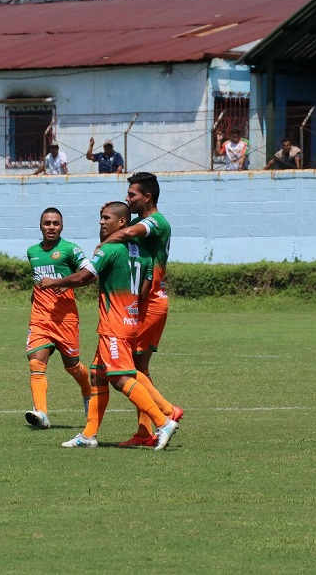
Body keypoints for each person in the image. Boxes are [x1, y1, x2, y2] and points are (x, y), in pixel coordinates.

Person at [38, 201, 180, 450]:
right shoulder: (143, 253)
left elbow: (85, 275)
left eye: (106, 218)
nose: (102, 222)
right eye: (101, 218)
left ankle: (163, 421)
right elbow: (145, 289)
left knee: (120, 378)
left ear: (122, 223)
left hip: (114, 323)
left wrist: (54, 282)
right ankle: (88, 435)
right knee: (97, 375)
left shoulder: (110, 249)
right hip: (131, 320)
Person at [98, 172, 183, 447]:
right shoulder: (140, 220)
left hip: (152, 302)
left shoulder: (155, 223)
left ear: (147, 196)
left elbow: (129, 232)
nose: (127, 198)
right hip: (141, 303)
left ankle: (168, 413)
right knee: (135, 367)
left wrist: (105, 243)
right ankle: (146, 433)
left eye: (132, 194)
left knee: (128, 370)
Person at [24, 208, 93, 429]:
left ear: (62, 226)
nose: (51, 227)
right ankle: (41, 413)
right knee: (36, 362)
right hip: (40, 319)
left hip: (66, 319)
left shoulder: (70, 250)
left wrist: (64, 283)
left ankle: (88, 393)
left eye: (55, 223)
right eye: (47, 223)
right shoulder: (32, 251)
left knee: (72, 366)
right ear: (40, 225)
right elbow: (38, 282)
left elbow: (89, 275)